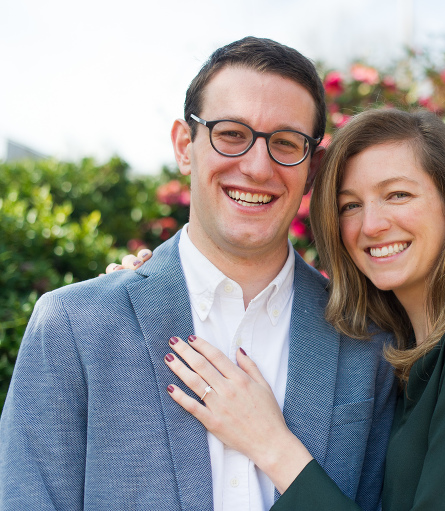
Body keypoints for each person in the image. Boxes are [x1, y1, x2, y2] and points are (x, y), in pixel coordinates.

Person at [0, 37, 396, 511]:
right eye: (231, 133)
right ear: (186, 146)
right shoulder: (74, 324)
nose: (256, 166)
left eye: (285, 143)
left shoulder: (368, 343)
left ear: (311, 168)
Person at [135, 108, 445, 510]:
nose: (372, 224)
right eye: (350, 206)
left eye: (398, 195)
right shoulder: (408, 349)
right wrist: (148, 283)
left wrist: (270, 444)